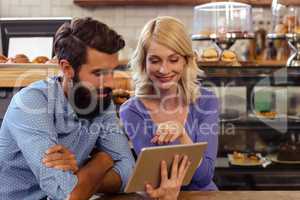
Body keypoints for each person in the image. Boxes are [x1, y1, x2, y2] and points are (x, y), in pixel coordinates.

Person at [0, 17, 135, 200]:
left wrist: (81, 176)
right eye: (98, 73)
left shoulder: (101, 101)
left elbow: (128, 171)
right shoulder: (31, 103)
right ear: (67, 68)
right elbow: (67, 194)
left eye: (112, 71)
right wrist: (104, 160)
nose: (110, 82)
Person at [120, 16, 219, 199]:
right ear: (143, 62)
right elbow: (154, 180)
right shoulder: (132, 111)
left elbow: (204, 177)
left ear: (186, 61)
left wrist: (182, 135)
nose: (164, 70)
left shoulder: (206, 101)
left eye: (173, 60)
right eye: (155, 60)